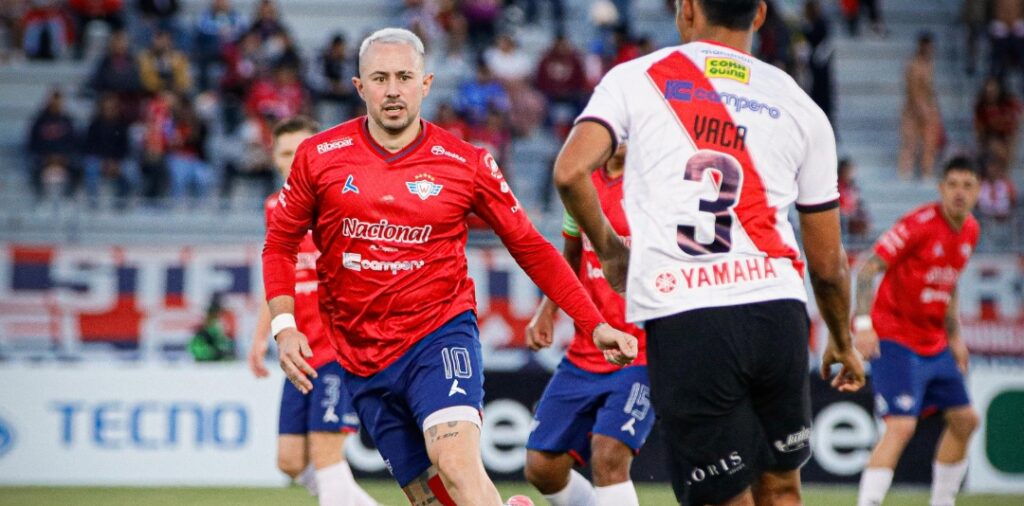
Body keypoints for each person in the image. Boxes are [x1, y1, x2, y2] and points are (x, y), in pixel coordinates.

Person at [262, 27, 637, 506]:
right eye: (380, 78)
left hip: (437, 335)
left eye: (404, 76)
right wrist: (284, 324)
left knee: (456, 461)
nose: (393, 89)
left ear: (427, 83)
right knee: (431, 498)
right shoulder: (319, 157)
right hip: (359, 355)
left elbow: (529, 245)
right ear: (360, 87)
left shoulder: (466, 162)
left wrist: (594, 323)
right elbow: (279, 245)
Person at [552, 1, 866, 504]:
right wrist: (842, 339)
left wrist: (611, 251)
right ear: (760, 15)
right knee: (783, 487)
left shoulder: (636, 78)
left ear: (688, 10)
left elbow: (569, 171)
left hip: (687, 315)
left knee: (722, 496)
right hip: (777, 312)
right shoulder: (799, 103)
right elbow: (828, 266)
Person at [249, 115, 378, 506]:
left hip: (337, 351)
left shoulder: (344, 199)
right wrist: (260, 337)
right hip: (298, 352)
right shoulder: (276, 207)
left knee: (326, 455)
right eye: (286, 153)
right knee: (289, 460)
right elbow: (278, 277)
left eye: (301, 151)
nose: (294, 160)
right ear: (275, 159)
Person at [524, 144, 652, 506]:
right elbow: (571, 256)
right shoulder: (579, 183)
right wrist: (547, 309)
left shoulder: (654, 183)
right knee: (541, 467)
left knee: (609, 452)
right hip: (586, 351)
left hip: (641, 351)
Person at [854, 157, 982, 506]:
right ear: (941, 188)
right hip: (895, 337)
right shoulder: (918, 224)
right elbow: (868, 268)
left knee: (966, 420)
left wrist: (955, 338)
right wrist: (863, 325)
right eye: (953, 184)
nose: (959, 192)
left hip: (934, 342)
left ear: (978, 191)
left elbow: (950, 281)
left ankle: (942, 501)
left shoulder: (970, 229)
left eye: (967, 185)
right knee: (901, 426)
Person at [898, 32, 943, 180]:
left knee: (930, 142)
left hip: (929, 108)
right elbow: (912, 88)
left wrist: (933, 107)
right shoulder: (913, 64)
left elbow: (930, 89)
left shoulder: (930, 64)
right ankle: (905, 172)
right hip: (913, 109)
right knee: (910, 142)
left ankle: (927, 172)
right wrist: (919, 108)